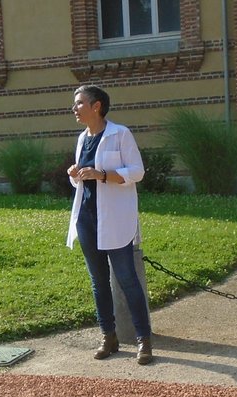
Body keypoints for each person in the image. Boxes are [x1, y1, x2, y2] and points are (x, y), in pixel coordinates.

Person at [65, 84, 154, 365]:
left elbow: (137, 172)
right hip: (87, 218)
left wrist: (102, 175)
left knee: (127, 279)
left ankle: (144, 340)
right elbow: (83, 179)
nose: (74, 108)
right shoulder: (82, 139)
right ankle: (109, 336)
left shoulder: (120, 134)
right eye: (74, 104)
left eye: (79, 103)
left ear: (97, 106)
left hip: (114, 218)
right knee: (98, 281)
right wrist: (75, 174)